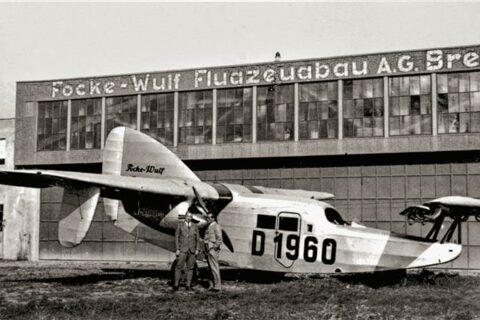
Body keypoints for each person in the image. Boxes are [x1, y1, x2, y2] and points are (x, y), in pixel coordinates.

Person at [173, 211, 200, 291]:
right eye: (188, 216)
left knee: (190, 268)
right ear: (185, 216)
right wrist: (177, 249)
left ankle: (188, 285)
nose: (189, 218)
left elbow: (197, 239)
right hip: (182, 249)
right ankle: (176, 284)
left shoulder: (195, 226)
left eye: (191, 216)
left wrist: (197, 249)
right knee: (178, 267)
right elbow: (176, 238)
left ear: (192, 217)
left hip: (192, 250)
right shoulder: (180, 225)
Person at [204, 212, 223, 291]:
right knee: (211, 268)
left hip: (212, 250)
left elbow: (219, 239)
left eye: (208, 218)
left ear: (213, 218)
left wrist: (214, 248)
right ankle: (213, 285)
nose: (207, 219)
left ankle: (217, 286)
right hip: (208, 250)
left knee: (214, 268)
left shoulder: (216, 226)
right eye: (207, 218)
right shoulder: (209, 226)